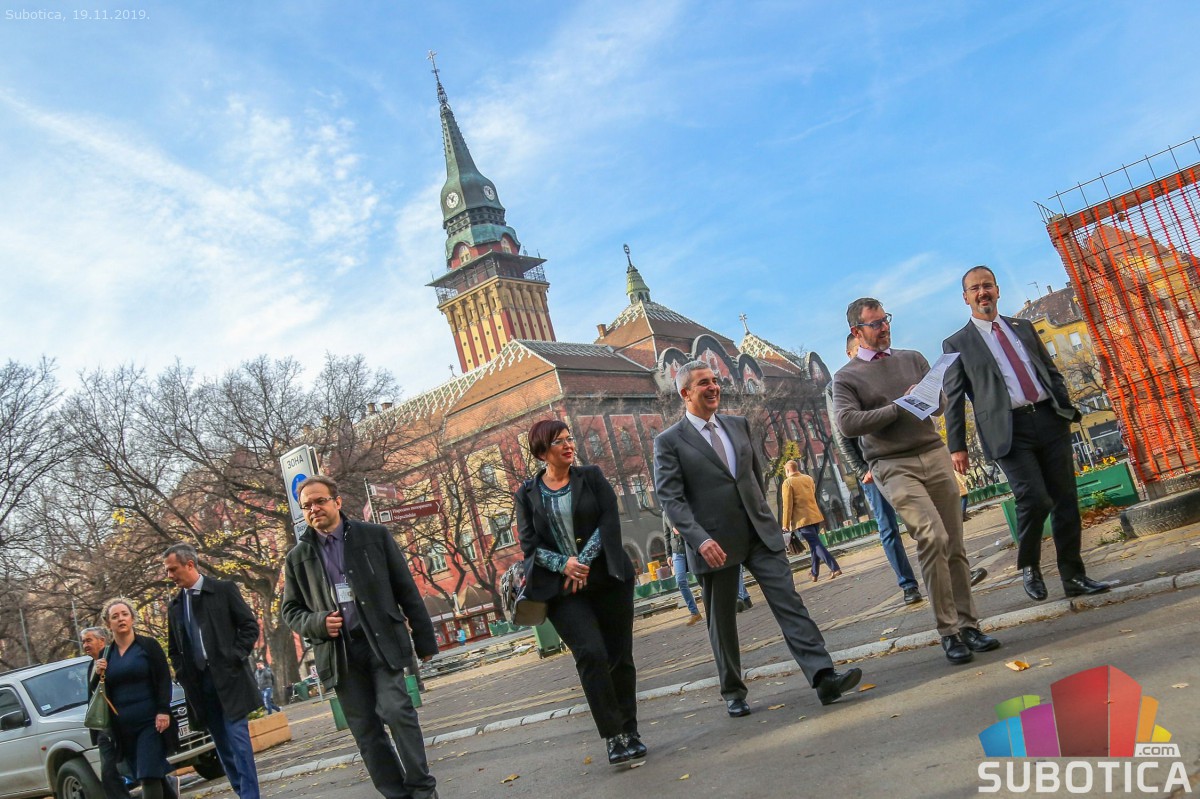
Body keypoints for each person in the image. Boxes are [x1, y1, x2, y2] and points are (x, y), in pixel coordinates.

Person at [653, 361, 862, 717]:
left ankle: (824, 677)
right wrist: (699, 539)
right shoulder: (669, 441)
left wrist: (765, 516)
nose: (713, 387)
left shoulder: (738, 425)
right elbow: (671, 499)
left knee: (789, 602)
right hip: (713, 544)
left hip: (758, 533)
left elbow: (753, 476)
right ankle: (733, 691)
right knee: (722, 621)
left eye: (715, 380)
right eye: (704, 383)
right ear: (685, 393)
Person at [832, 298, 1001, 665]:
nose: (884, 328)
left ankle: (969, 626)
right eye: (875, 324)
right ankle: (948, 631)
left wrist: (925, 397)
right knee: (932, 536)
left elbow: (939, 405)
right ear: (856, 332)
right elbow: (847, 423)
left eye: (885, 320)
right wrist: (898, 406)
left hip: (933, 452)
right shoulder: (846, 377)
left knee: (954, 543)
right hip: (892, 464)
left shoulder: (913, 358)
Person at [943, 266, 1110, 602]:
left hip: (1048, 419)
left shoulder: (1023, 327)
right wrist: (957, 446)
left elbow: (1049, 370)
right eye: (975, 288)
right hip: (1008, 431)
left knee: (1065, 499)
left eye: (987, 285)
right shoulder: (957, 343)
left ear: (997, 290)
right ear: (966, 298)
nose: (982, 292)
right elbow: (954, 398)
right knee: (1033, 497)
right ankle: (1030, 565)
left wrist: (1063, 407)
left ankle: (1073, 576)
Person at [282, 476, 440, 799]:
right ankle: (397, 795)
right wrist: (318, 622)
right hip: (339, 655)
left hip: (380, 642)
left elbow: (406, 589)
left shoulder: (374, 536)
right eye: (307, 506)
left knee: (396, 711)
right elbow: (291, 611)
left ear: (337, 502)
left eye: (320, 501)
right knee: (367, 733)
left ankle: (422, 790)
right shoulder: (298, 557)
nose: (314, 509)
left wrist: (425, 641)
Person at [513, 420, 642, 766]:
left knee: (619, 656)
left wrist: (581, 562)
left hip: (608, 580)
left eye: (569, 439)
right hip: (562, 591)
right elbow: (529, 546)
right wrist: (563, 565)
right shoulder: (527, 494)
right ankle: (613, 736)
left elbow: (608, 521)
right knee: (591, 654)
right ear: (542, 452)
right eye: (559, 441)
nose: (568, 445)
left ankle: (630, 730)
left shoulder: (592, 477)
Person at [827, 334, 922, 605]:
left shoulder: (888, 368)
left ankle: (951, 569)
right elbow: (841, 433)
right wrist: (860, 470)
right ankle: (908, 584)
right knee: (888, 527)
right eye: (860, 349)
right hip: (870, 466)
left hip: (900, 454)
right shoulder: (838, 384)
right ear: (850, 353)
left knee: (924, 517)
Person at [164, 543, 262, 799]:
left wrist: (235, 656)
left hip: (230, 679)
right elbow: (174, 649)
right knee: (222, 745)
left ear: (190, 564)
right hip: (200, 686)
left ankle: (250, 796)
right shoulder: (176, 606)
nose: (169, 575)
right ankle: (242, 792)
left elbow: (249, 626)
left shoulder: (223, 590)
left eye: (173, 569)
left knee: (238, 740)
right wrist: (182, 673)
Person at [95, 599, 177, 799]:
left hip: (151, 722)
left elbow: (164, 679)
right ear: (108, 624)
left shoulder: (148, 646)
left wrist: (163, 710)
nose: (121, 619)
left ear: (132, 618)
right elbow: (99, 693)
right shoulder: (106, 654)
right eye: (115, 616)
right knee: (149, 774)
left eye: (125, 614)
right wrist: (97, 674)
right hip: (123, 728)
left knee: (148, 774)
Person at [82, 626, 135, 799]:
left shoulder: (113, 659)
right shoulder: (91, 665)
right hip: (103, 729)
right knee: (108, 774)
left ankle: (167, 785)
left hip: (120, 724)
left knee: (131, 767)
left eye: (89, 640)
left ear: (102, 641)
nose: (85, 645)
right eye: (83, 641)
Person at [780, 460, 841, 582]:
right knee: (814, 545)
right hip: (815, 516)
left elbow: (787, 506)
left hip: (802, 520)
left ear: (787, 470)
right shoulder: (808, 478)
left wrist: (785, 524)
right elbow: (812, 495)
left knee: (816, 544)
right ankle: (814, 573)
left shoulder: (788, 483)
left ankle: (834, 567)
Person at [663, 511, 703, 625]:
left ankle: (713, 606)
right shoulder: (665, 513)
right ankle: (695, 613)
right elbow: (666, 534)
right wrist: (668, 555)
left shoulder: (682, 506)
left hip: (690, 547)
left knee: (701, 577)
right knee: (680, 581)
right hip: (677, 551)